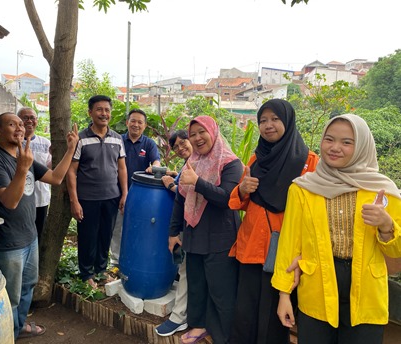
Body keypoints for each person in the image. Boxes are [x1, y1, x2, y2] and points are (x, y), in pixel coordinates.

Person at [272, 114, 401, 344]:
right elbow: (289, 244)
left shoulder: (383, 191)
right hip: (317, 287)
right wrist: (284, 294)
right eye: (329, 139)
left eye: (347, 142)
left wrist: (386, 225)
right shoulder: (303, 188)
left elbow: (396, 255)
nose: (335, 148)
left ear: (362, 146)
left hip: (368, 291)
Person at [0, 112, 78, 340]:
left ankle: (18, 326)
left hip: (29, 237)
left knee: (27, 287)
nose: (19, 128)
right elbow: (10, 201)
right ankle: (7, 335)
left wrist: (71, 149)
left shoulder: (25, 156)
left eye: (21, 124)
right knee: (10, 295)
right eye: (11, 124)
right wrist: (23, 168)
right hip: (8, 242)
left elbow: (55, 178)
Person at [228, 98, 319, 344]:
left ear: (288, 122)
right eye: (263, 121)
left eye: (275, 119)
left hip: (283, 252)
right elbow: (237, 203)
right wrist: (243, 189)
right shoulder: (256, 160)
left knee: (274, 318)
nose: (268, 125)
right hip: (251, 248)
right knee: (245, 314)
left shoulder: (308, 162)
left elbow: (315, 210)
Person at [169, 116, 243, 344]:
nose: (197, 138)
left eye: (202, 132)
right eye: (193, 134)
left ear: (213, 132)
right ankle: (199, 325)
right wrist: (173, 232)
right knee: (198, 285)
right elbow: (181, 200)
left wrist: (198, 182)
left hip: (221, 237)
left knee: (221, 291)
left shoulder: (230, 163)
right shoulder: (192, 161)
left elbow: (228, 198)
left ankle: (224, 336)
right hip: (194, 234)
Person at [67, 95, 128, 290]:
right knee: (87, 237)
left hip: (111, 197)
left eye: (107, 110)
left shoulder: (117, 139)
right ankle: (87, 274)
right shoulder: (82, 139)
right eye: (99, 109)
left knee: (105, 236)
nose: (104, 113)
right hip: (87, 199)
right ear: (90, 112)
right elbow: (71, 171)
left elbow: (122, 168)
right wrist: (74, 201)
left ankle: (101, 271)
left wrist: (124, 193)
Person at [109, 108, 160, 267]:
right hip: (117, 192)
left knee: (137, 227)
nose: (136, 125)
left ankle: (134, 257)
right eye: (133, 121)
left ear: (144, 126)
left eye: (140, 122)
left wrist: (155, 167)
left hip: (140, 196)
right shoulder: (118, 140)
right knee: (117, 228)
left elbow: (156, 161)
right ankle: (115, 261)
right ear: (127, 123)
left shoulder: (149, 143)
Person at [155, 130, 192, 337]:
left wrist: (172, 186)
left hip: (198, 228)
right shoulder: (190, 162)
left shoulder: (199, 161)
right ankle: (184, 314)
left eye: (183, 142)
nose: (180, 148)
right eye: (176, 146)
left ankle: (179, 317)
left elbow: (191, 192)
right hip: (187, 226)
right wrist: (173, 176)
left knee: (186, 269)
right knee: (185, 269)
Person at [17, 107, 51, 242]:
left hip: (41, 198)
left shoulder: (46, 143)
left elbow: (49, 169)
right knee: (22, 234)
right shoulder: (14, 143)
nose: (29, 121)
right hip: (20, 199)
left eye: (32, 118)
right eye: (25, 118)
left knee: (39, 234)